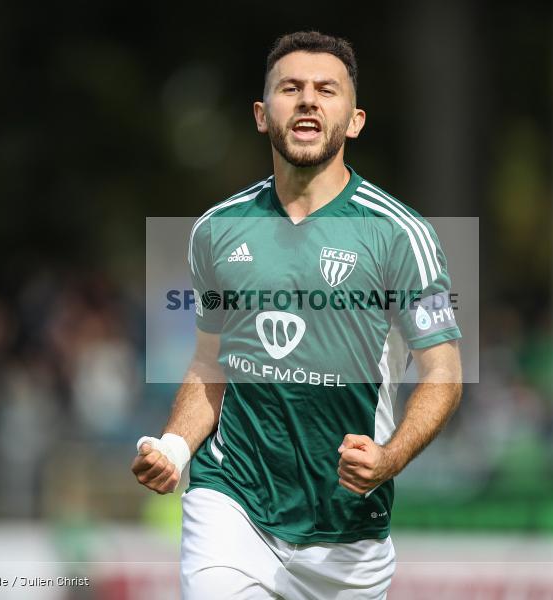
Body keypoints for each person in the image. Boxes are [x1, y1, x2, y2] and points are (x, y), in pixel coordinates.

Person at [133, 31, 463, 599]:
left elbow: (443, 373)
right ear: (263, 115)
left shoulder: (401, 235)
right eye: (291, 88)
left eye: (326, 90)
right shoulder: (215, 231)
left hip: (348, 534)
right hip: (232, 505)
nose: (308, 100)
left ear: (354, 120)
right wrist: (175, 448)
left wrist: (388, 459)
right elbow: (210, 364)